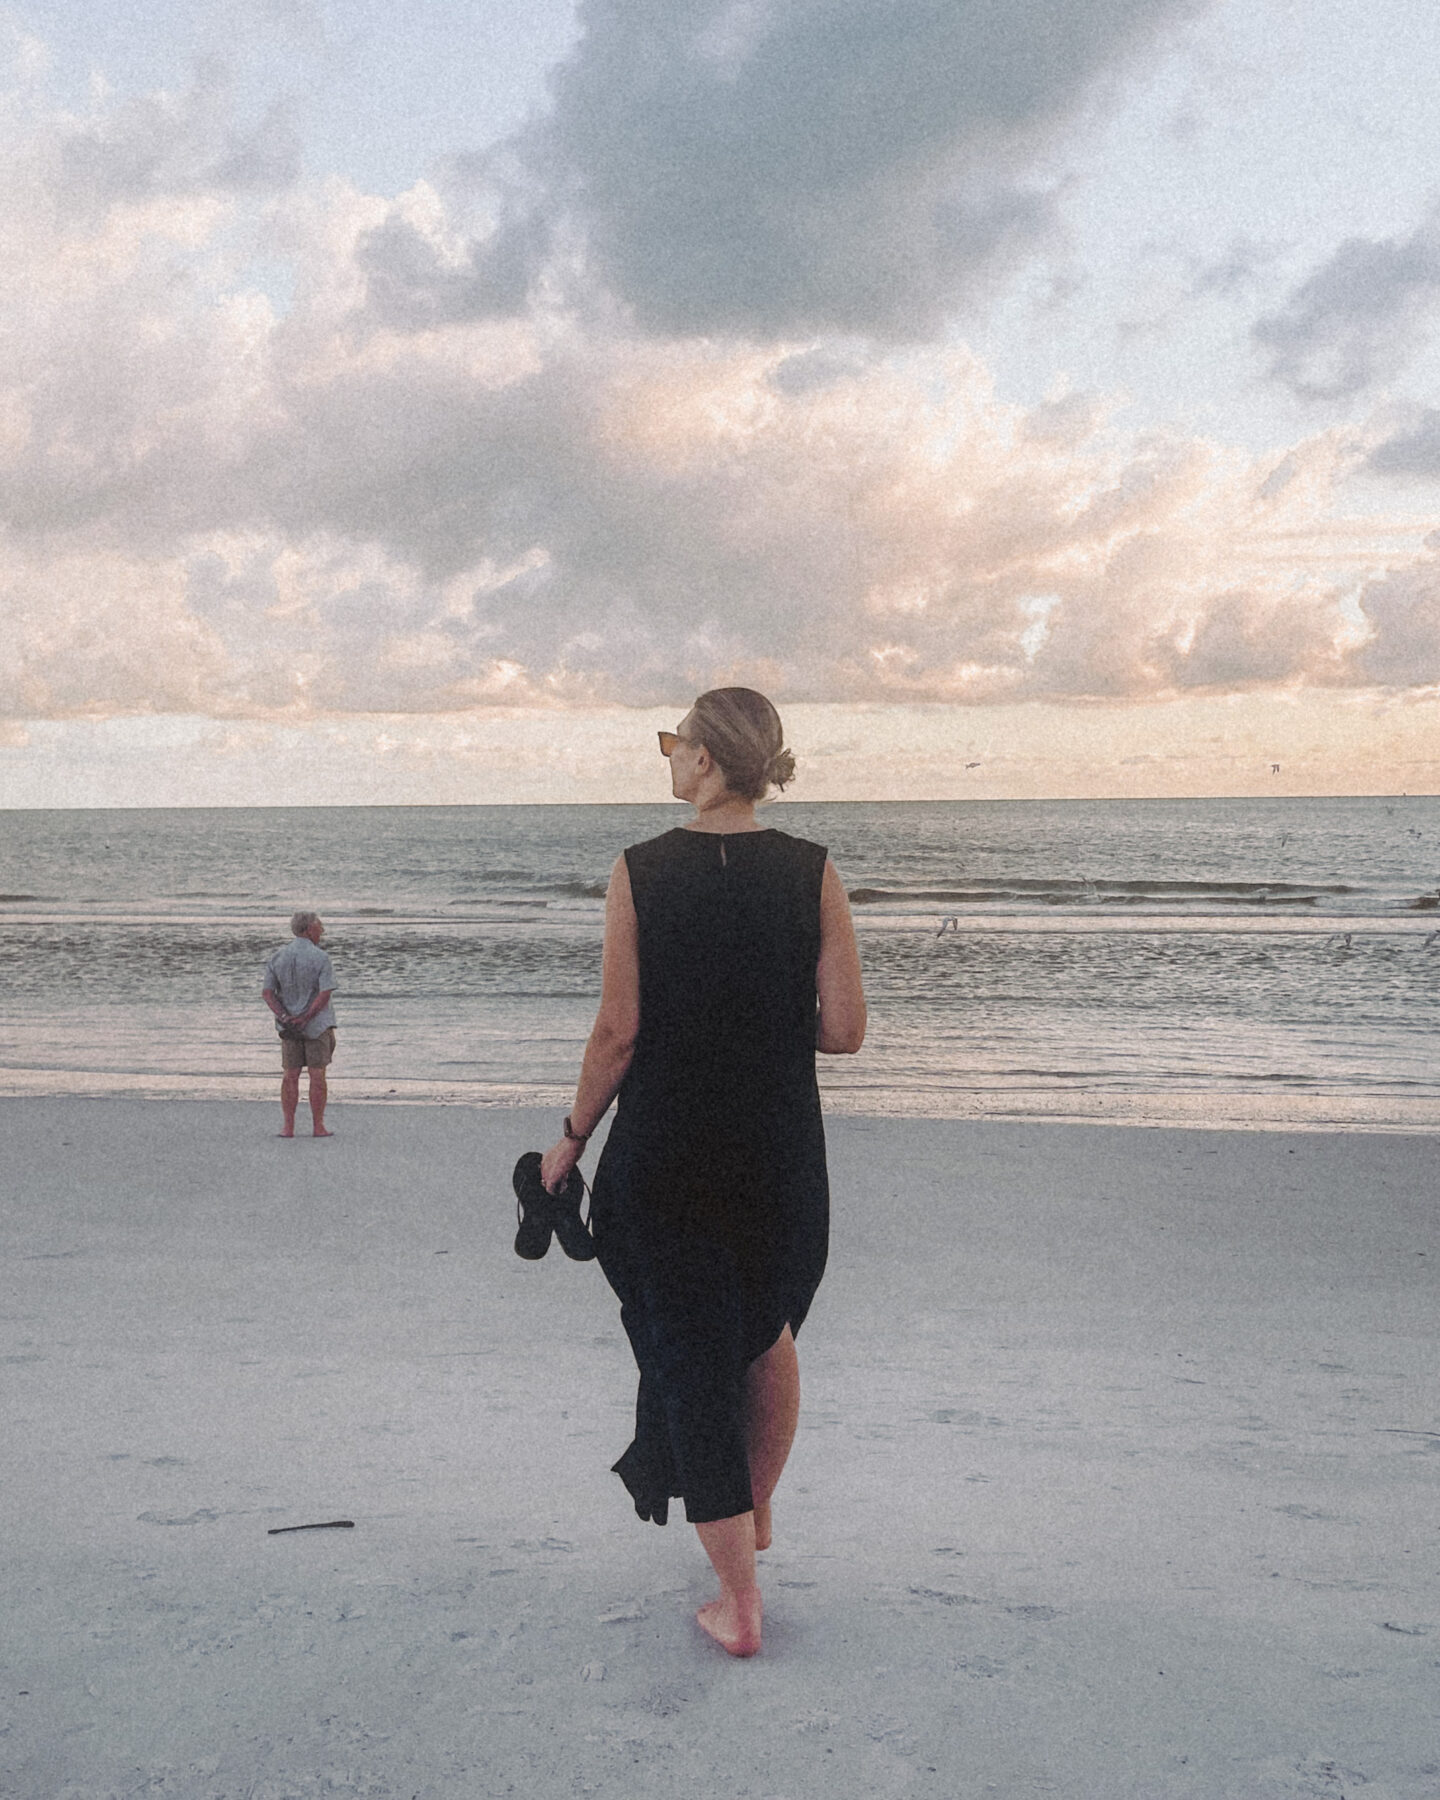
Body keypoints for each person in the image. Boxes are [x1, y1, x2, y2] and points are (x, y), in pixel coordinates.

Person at [540, 688, 866, 1657]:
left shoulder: (640, 871)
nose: (667, 757)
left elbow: (619, 1030)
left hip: (670, 1154)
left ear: (708, 762)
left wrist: (570, 1136)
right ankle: (752, 1521)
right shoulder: (814, 871)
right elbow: (844, 1032)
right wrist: (760, 1032)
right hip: (779, 1157)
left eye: (673, 743)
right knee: (762, 1333)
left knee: (688, 1358)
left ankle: (741, 1604)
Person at [262, 911, 337, 1139]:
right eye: (319, 926)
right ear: (308, 929)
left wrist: (284, 1016)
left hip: (289, 1027)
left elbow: (268, 993)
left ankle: (288, 1127)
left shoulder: (277, 957)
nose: (322, 930)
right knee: (317, 1075)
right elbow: (324, 994)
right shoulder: (321, 957)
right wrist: (306, 1017)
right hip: (316, 1026)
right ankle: (318, 1126)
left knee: (290, 1075)